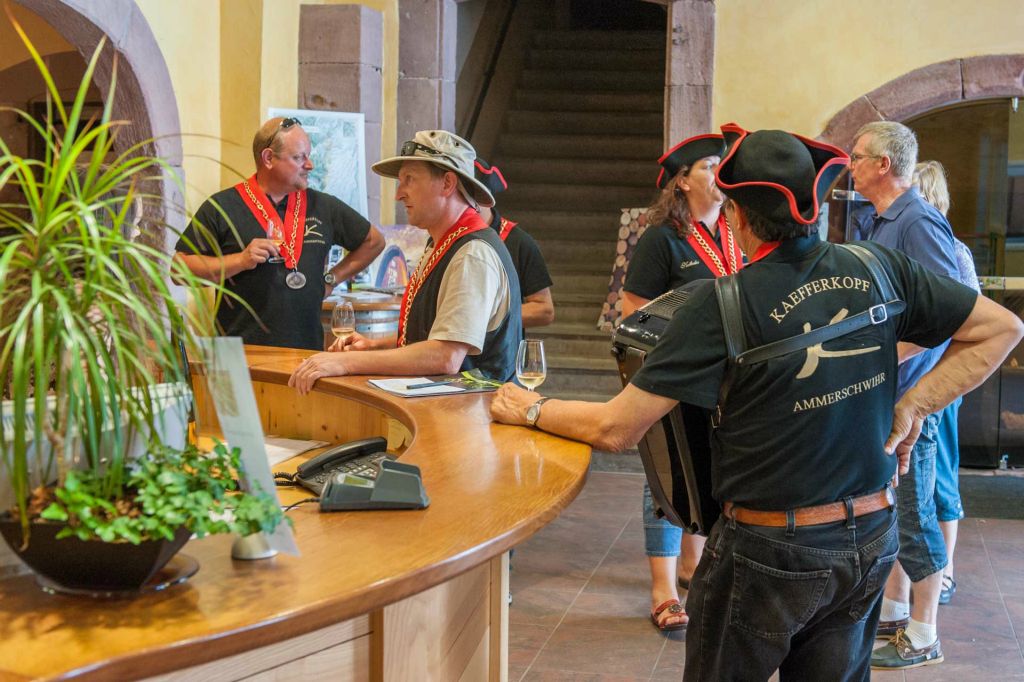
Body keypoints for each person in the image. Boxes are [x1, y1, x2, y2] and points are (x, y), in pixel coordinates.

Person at [491, 122, 1022, 680]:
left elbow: (616, 428)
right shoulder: (876, 267)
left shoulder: (720, 303)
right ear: (812, 207)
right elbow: (1002, 327)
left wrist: (529, 408)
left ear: (739, 217)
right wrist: (915, 403)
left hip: (769, 551)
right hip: (870, 536)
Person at [288, 130, 521, 392]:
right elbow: (432, 335)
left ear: (447, 183)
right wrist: (374, 345)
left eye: (409, 179)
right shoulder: (443, 243)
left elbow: (445, 356)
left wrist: (345, 362)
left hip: (477, 412)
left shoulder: (472, 253)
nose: (398, 194)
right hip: (451, 408)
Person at [620, 133, 742, 632]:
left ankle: (693, 566)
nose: (719, 174)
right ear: (684, 181)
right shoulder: (662, 239)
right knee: (666, 476)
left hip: (727, 378)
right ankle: (663, 590)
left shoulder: (735, 231)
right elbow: (634, 312)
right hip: (673, 374)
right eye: (710, 166)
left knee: (707, 469)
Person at [851, 122, 961, 669]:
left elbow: (953, 309)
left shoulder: (917, 220)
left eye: (857, 156)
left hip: (914, 398)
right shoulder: (882, 218)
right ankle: (896, 616)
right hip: (889, 395)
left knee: (915, 515)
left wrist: (889, 355)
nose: (850, 164)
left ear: (883, 165)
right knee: (894, 513)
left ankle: (925, 634)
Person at [175, 117, 385, 350]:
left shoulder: (323, 206)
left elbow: (373, 241)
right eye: (299, 157)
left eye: (308, 156)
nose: (309, 165)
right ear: (268, 158)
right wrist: (241, 260)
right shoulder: (222, 206)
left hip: (306, 355)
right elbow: (179, 270)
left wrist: (331, 279)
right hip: (236, 355)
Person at [912, 159, 981, 607]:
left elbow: (973, 324)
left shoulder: (954, 252)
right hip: (912, 382)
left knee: (940, 479)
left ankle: (946, 571)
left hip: (940, 385)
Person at [474, 158, 555, 328]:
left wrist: (481, 318)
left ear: (484, 197)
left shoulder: (518, 242)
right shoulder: (440, 238)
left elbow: (544, 310)